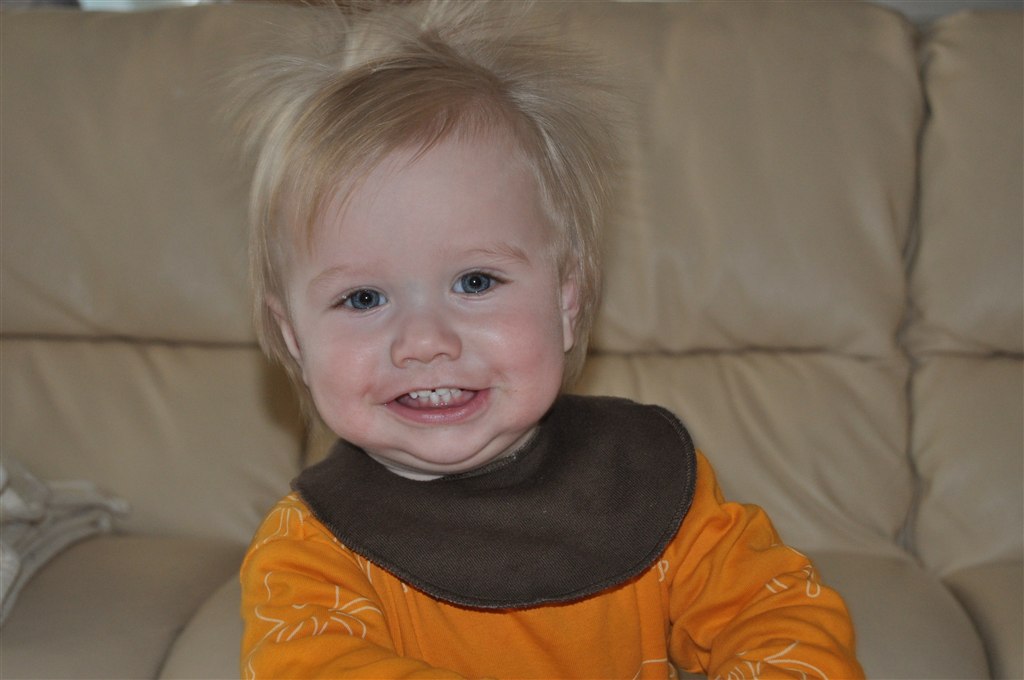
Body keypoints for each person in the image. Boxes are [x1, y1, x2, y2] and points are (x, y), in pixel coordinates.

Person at [236, 2, 864, 678]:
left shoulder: (645, 479)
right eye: (363, 298)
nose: (424, 341)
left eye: (475, 281)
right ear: (293, 340)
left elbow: (777, 615)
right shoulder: (309, 553)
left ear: (565, 304)